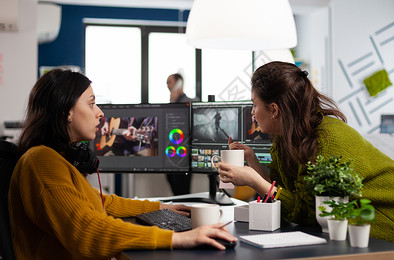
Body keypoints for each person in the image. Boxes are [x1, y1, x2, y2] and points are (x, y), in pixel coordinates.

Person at [217, 61, 394, 260]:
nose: (252, 112)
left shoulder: (329, 137)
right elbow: (283, 196)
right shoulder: (283, 139)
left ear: (274, 109)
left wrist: (254, 180)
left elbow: (309, 212)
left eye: (254, 104)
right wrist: (253, 164)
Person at [8, 69, 237, 260]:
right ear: (65, 112)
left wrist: (160, 208)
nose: (100, 113)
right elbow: (86, 230)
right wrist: (179, 238)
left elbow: (101, 203)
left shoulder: (54, 159)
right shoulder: (42, 162)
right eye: (91, 104)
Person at [166, 73, 198, 195]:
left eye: (170, 82)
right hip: (171, 154)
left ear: (179, 83)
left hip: (183, 156)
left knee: (183, 190)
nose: (168, 86)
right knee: (174, 187)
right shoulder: (172, 102)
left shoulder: (189, 102)